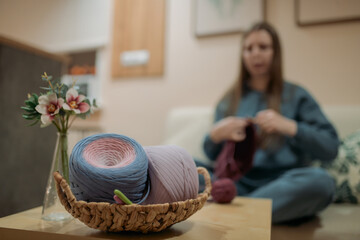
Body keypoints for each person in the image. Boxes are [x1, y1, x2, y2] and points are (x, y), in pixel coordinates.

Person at [202, 22, 339, 223]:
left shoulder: (296, 95)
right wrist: (215, 135)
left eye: (263, 47)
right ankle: (252, 215)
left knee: (322, 182)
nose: (255, 54)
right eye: (249, 48)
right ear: (243, 55)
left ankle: (238, 216)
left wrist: (290, 127)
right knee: (187, 168)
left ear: (276, 52)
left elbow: (330, 148)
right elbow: (210, 154)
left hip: (282, 185)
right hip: (235, 185)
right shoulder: (229, 100)